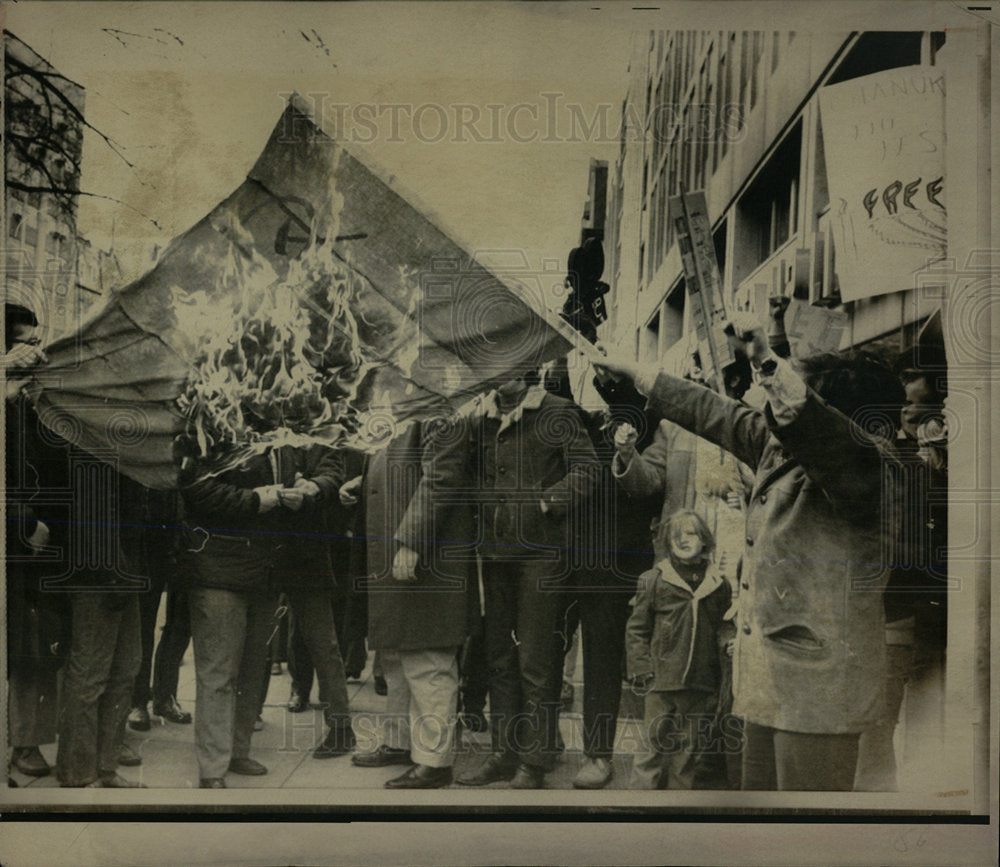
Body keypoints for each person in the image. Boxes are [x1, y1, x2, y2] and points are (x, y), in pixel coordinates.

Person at [596, 315, 904, 791]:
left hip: (817, 696)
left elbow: (824, 435)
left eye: (783, 397)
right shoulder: (780, 449)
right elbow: (715, 412)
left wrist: (766, 360)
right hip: (767, 682)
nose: (766, 408)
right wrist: (640, 372)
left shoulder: (868, 466)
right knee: (760, 825)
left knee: (806, 839)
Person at [455, 370, 601, 789]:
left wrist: (545, 502)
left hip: (542, 554)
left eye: (511, 366)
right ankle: (502, 754)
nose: (502, 377)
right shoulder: (480, 415)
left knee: (536, 662)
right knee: (499, 657)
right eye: (495, 368)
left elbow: (588, 470)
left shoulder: (558, 411)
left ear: (529, 368)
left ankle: (534, 762)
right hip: (495, 553)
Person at [349, 413, 476, 788]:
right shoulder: (410, 403)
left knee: (428, 658)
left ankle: (435, 761)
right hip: (401, 547)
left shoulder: (445, 408)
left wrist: (412, 540)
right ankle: (401, 742)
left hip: (424, 553)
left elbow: (442, 477)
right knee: (398, 655)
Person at [625, 509, 734, 789]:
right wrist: (641, 668)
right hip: (661, 680)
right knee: (652, 743)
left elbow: (723, 625)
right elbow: (637, 629)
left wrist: (728, 642)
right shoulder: (654, 580)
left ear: (704, 540)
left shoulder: (718, 584)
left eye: (691, 533)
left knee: (687, 748)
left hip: (701, 681)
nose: (683, 540)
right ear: (667, 541)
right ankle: (639, 802)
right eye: (676, 535)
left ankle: (677, 802)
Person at [5, 303, 66, 781]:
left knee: (37, 645)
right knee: (24, 648)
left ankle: (30, 741)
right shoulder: (11, 403)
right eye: (25, 342)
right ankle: (22, 744)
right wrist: (26, 522)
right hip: (19, 543)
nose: (34, 352)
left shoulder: (30, 402)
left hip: (38, 544)